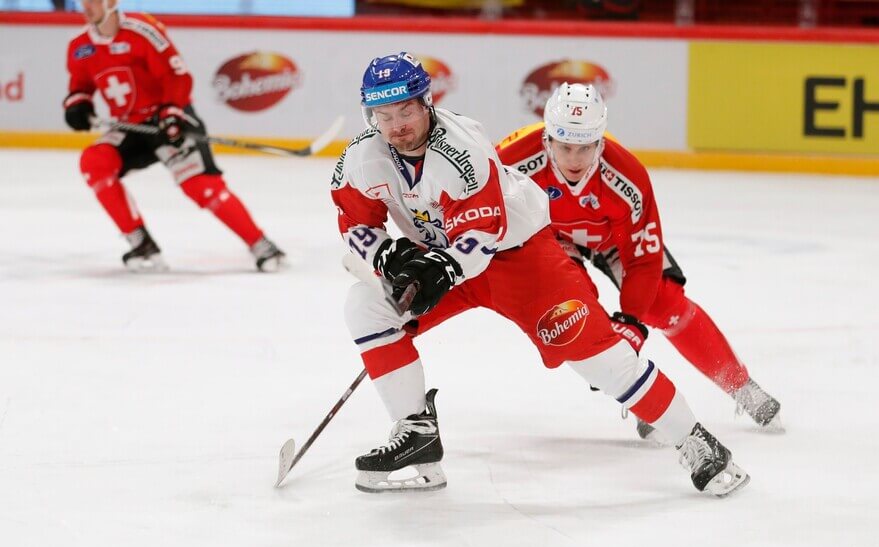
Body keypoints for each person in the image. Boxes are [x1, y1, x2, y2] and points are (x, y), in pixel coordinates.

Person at [331, 52, 750, 496]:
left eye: (406, 111)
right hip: (441, 258)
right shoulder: (360, 159)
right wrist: (388, 257)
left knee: (600, 360)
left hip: (519, 259)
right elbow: (356, 223)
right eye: (384, 114)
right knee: (366, 306)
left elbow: (482, 234)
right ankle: (417, 435)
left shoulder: (462, 149)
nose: (396, 125)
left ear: (426, 103)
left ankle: (697, 442)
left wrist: (437, 267)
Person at [495, 83, 782, 442]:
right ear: (546, 140)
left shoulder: (627, 176)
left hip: (614, 238)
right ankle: (645, 396)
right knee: (575, 314)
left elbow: (644, 260)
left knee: (663, 301)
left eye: (585, 148)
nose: (573, 159)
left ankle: (740, 385)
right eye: (565, 146)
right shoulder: (507, 161)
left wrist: (632, 323)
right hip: (548, 236)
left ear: (600, 143)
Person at [63, 0, 285, 272]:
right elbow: (80, 85)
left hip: (167, 120)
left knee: (200, 186)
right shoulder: (79, 47)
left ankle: (261, 243)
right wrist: (78, 104)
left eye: (93, 0)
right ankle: (140, 241)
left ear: (111, 2)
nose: (86, 6)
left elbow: (176, 74)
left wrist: (171, 111)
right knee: (94, 161)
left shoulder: (143, 30)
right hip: (130, 128)